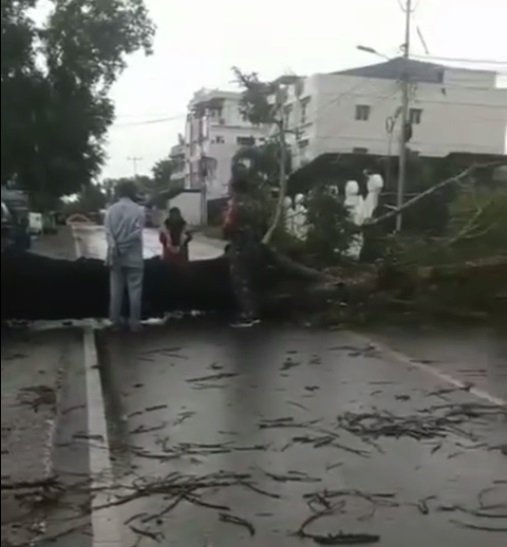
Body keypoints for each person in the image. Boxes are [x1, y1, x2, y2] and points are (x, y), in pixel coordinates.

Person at [223, 165, 264, 328]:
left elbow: (228, 225)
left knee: (241, 281)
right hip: (255, 244)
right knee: (253, 279)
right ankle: (256, 312)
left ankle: (248, 314)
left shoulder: (236, 204)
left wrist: (226, 231)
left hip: (240, 245)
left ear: (235, 188)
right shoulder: (256, 204)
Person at [104, 181, 145, 332]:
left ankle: (115, 321)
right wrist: (124, 246)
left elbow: (108, 233)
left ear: (118, 193)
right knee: (135, 291)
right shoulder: (139, 211)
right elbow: (136, 234)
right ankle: (134, 322)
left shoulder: (111, 210)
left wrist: (116, 247)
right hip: (134, 257)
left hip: (115, 256)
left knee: (115, 291)